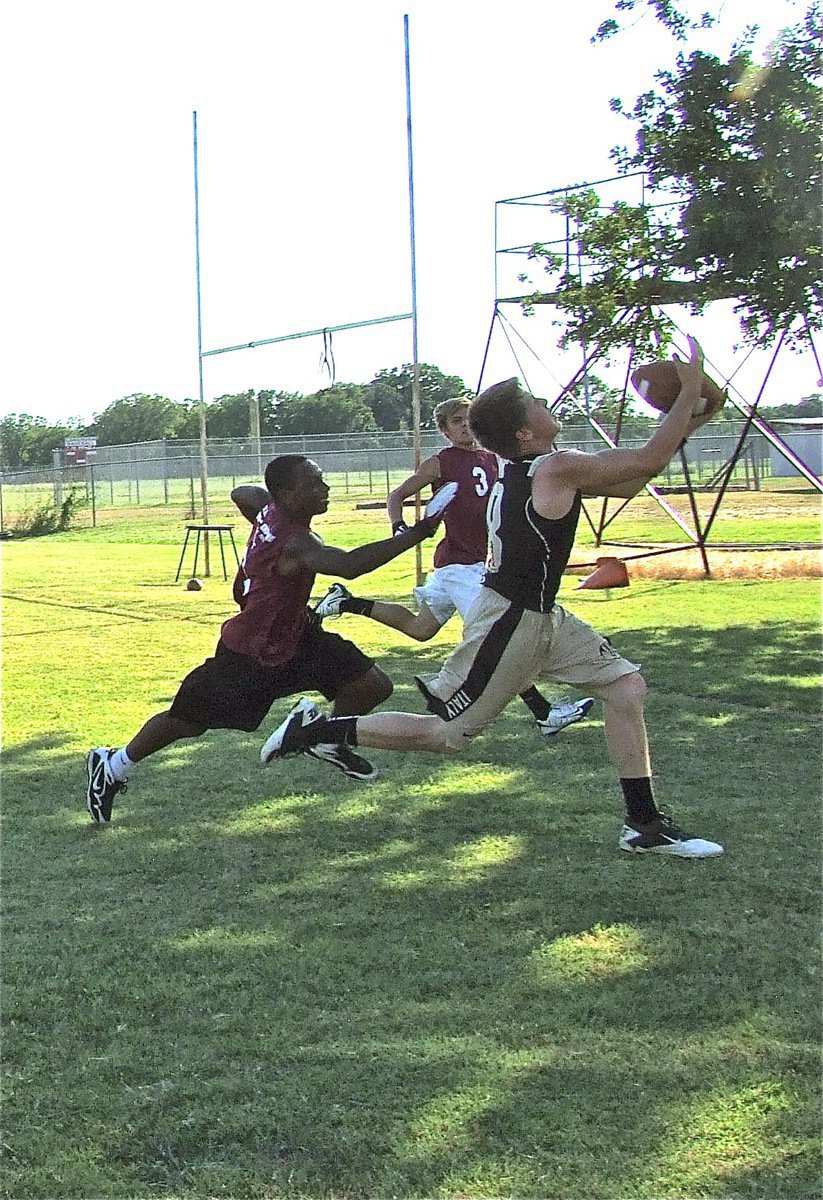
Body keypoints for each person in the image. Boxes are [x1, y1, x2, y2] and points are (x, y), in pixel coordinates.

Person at [260, 338, 725, 858]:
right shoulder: (554, 467)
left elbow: (633, 479)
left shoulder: (544, 468)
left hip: (544, 614)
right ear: (525, 432)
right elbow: (649, 457)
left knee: (625, 688)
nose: (549, 406)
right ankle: (315, 730)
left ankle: (644, 824)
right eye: (538, 405)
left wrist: (694, 414)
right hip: (511, 620)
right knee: (447, 734)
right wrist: (690, 389)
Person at [85, 453, 449, 824]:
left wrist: (266, 510)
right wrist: (417, 533)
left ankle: (323, 737)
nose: (325, 488)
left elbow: (242, 492)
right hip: (252, 650)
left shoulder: (271, 510)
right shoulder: (296, 543)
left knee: (370, 685)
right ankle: (113, 765)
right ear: (289, 494)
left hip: (297, 634)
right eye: (315, 483)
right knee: (188, 720)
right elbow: (350, 566)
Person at [312, 395, 593, 737]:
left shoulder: (495, 456)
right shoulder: (441, 462)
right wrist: (399, 527)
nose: (464, 426)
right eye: (456, 421)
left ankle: (345, 601)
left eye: (468, 419)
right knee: (499, 635)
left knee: (421, 628)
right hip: (460, 565)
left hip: (474, 562)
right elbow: (397, 494)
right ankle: (544, 711)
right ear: (445, 430)